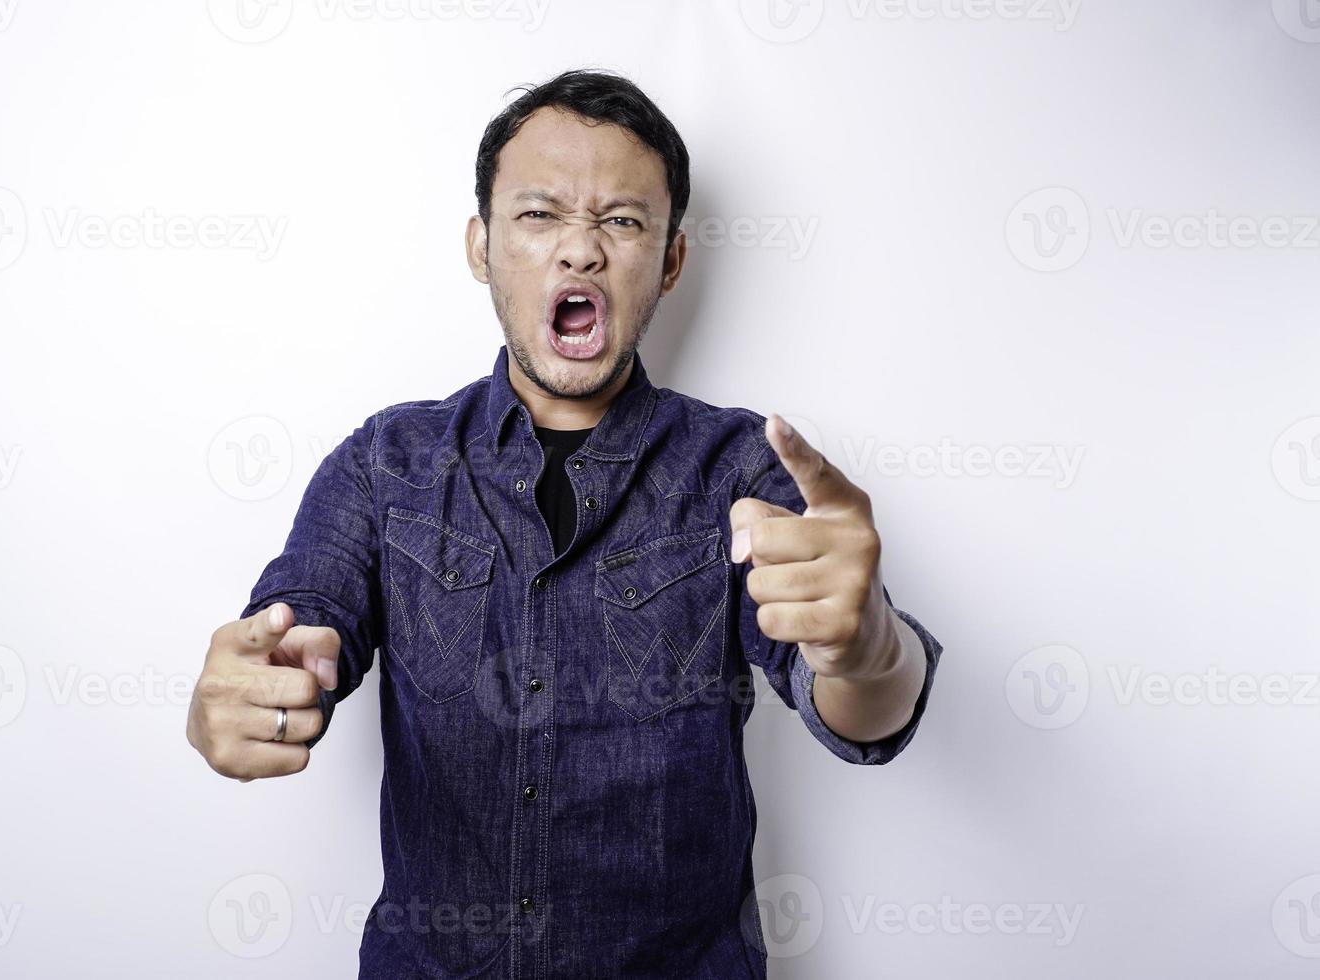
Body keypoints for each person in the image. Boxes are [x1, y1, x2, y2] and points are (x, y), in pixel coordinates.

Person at [187, 68, 942, 979]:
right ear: (482, 244)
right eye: (539, 215)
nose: (580, 250)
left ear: (669, 261)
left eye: (621, 221)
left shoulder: (741, 469)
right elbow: (298, 620)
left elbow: (866, 710)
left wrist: (868, 649)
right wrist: (250, 685)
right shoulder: (387, 463)